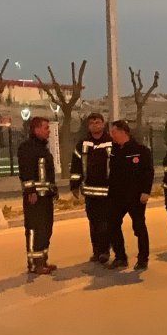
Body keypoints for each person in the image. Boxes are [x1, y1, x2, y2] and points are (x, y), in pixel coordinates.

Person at [106, 120, 154, 269]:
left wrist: (146, 191)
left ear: (123, 132)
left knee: (139, 227)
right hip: (116, 196)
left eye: (114, 132)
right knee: (112, 225)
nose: (111, 135)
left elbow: (148, 172)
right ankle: (120, 257)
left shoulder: (140, 150)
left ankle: (143, 259)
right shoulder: (113, 151)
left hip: (135, 196)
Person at [69, 112, 114, 263]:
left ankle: (104, 251)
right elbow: (76, 166)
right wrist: (74, 185)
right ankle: (97, 251)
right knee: (93, 223)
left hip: (108, 192)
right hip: (90, 191)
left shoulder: (111, 143)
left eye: (98, 122)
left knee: (105, 223)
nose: (95, 125)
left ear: (103, 124)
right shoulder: (82, 144)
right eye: (92, 123)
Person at [17, 116, 58, 275]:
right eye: (46, 128)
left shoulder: (42, 148)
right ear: (37, 129)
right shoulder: (27, 148)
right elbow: (26, 172)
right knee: (34, 229)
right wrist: (30, 191)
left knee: (46, 229)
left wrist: (53, 190)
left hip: (45, 196)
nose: (49, 131)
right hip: (35, 198)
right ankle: (34, 264)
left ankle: (43, 260)